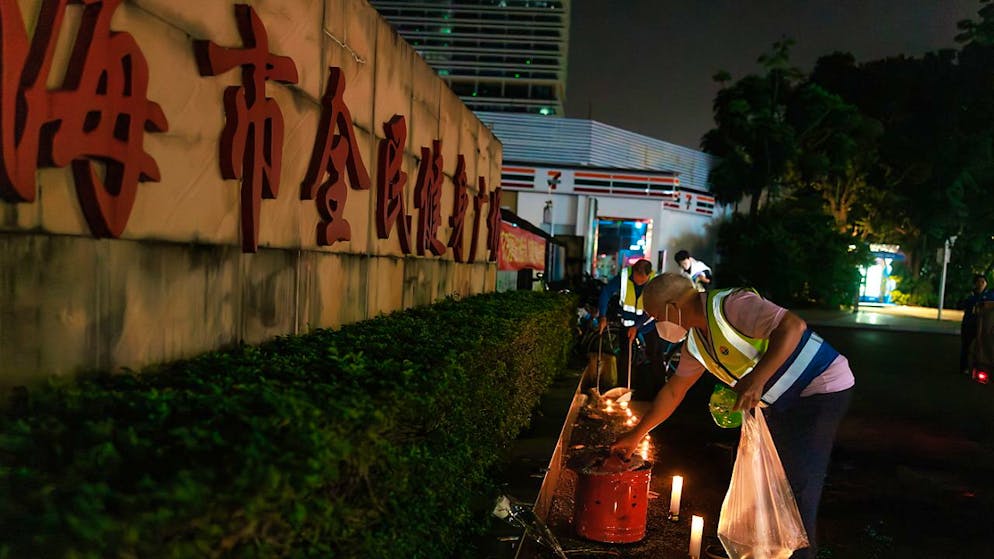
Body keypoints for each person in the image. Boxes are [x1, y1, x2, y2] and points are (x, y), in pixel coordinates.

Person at [611, 273, 854, 559]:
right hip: (778, 401)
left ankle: (799, 554)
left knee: (798, 485)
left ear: (672, 308)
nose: (655, 324)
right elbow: (674, 392)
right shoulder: (696, 344)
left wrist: (756, 379)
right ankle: (770, 551)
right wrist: (635, 435)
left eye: (655, 315)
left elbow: (792, 326)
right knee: (772, 482)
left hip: (820, 387)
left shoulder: (730, 305)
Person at [595, 259, 660, 392]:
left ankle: (658, 390)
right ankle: (623, 389)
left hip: (647, 324)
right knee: (625, 356)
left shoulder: (655, 282)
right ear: (634, 272)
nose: (639, 283)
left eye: (643, 281)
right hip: (627, 323)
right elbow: (606, 292)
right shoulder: (624, 277)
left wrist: (637, 326)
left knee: (655, 355)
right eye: (637, 280)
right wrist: (603, 315)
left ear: (649, 275)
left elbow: (654, 308)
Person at [958, 274, 994, 375]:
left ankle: (977, 367)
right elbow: (961, 305)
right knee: (966, 346)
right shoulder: (970, 296)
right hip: (969, 324)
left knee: (981, 346)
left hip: (983, 326)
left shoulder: (990, 295)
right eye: (979, 281)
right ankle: (963, 367)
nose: (981, 284)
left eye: (983, 281)